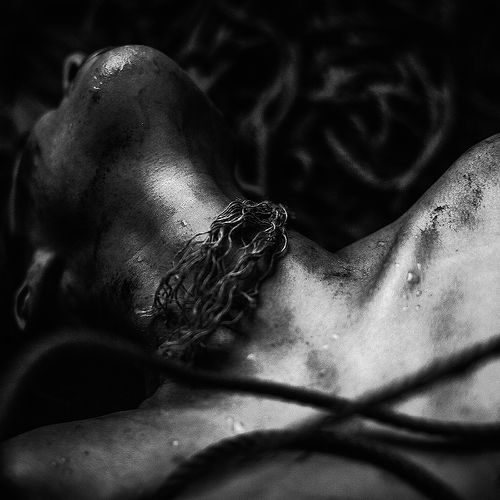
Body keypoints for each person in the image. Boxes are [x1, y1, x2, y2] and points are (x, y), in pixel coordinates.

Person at [2, 45, 500, 499]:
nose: (72, 62)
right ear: (33, 290)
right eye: (29, 145)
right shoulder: (56, 476)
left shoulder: (489, 187)